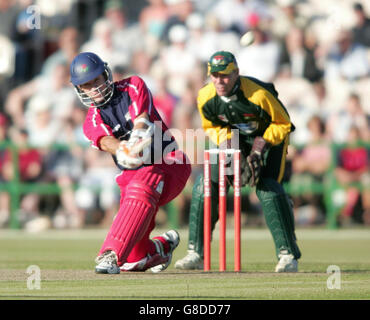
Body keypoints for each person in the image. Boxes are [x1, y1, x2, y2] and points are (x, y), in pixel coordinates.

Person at [174, 51, 301, 272]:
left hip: (268, 141)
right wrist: (231, 146)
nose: (219, 81)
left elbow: (283, 123)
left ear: (236, 73)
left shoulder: (258, 95)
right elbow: (212, 127)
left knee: (268, 189)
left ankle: (287, 254)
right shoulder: (205, 96)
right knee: (205, 184)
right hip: (233, 140)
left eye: (224, 75)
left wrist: (259, 148)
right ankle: (196, 253)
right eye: (214, 75)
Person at [69, 52, 191, 274]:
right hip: (133, 178)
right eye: (87, 85)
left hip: (169, 161)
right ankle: (160, 248)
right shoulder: (91, 120)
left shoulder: (132, 85)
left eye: (96, 80)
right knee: (133, 261)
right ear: (80, 90)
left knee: (142, 182)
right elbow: (105, 140)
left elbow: (142, 116)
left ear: (106, 74)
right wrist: (121, 149)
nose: (94, 88)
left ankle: (110, 254)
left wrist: (136, 138)